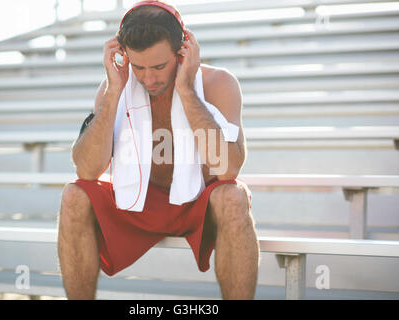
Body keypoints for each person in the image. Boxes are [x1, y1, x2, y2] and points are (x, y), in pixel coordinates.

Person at [57, 0, 259, 300]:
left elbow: (227, 169)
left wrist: (187, 90)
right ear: (123, 57)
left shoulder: (218, 83)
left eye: (159, 67)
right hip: (138, 201)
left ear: (183, 51)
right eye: (139, 67)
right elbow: (87, 170)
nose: (148, 79)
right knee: (74, 194)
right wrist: (114, 92)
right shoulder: (114, 87)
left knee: (233, 195)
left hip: (196, 202)